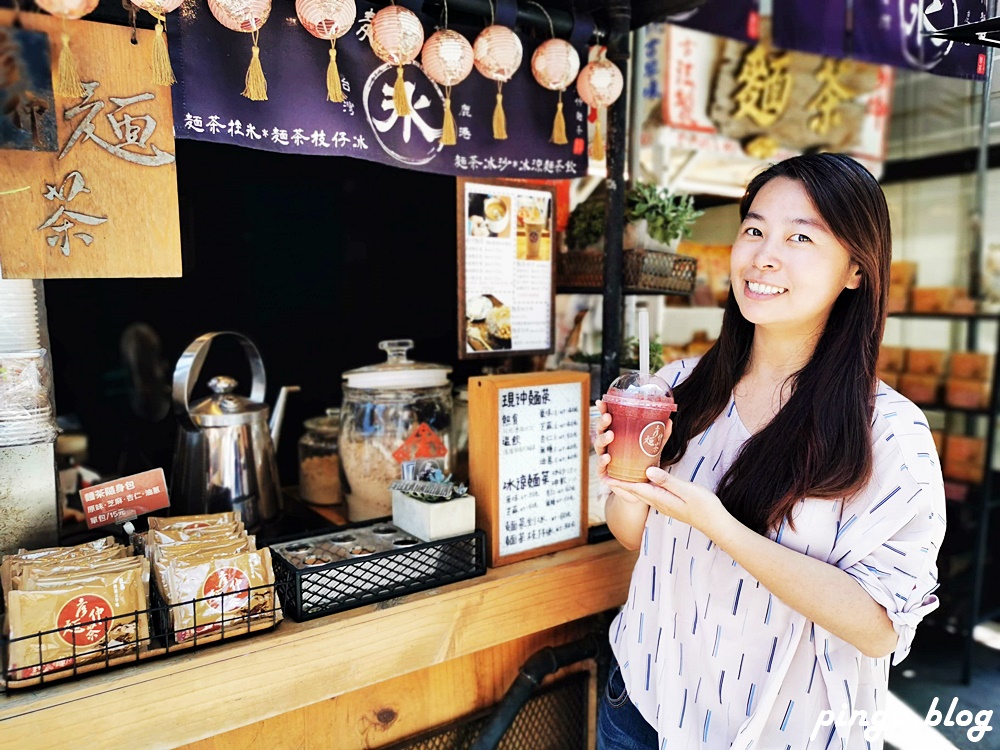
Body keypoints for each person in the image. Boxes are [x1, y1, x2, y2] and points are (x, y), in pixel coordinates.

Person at [593, 153, 945, 750]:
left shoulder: (890, 434)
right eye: (754, 229)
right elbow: (635, 535)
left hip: (779, 733)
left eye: (800, 236)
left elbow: (880, 629)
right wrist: (623, 478)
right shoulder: (679, 387)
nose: (763, 256)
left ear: (856, 270)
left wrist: (720, 526)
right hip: (644, 703)